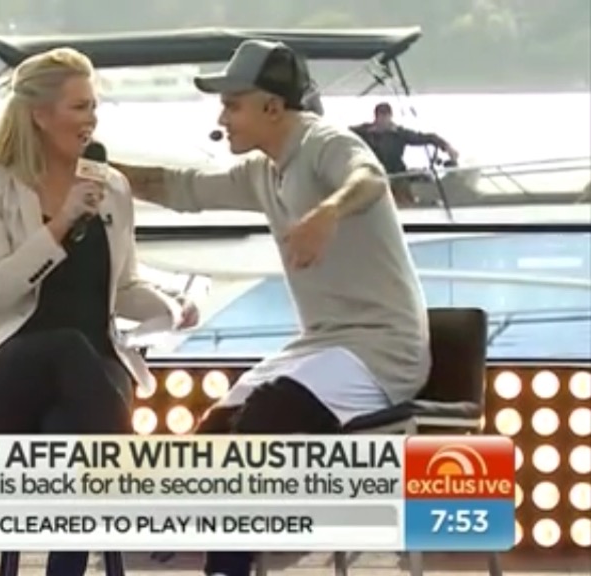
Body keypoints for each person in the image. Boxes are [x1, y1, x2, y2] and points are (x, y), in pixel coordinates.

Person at [111, 40, 430, 576]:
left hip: (383, 350)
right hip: (323, 345)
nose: (222, 118)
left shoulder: (324, 141)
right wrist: (93, 168)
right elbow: (182, 187)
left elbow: (369, 178)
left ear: (273, 107)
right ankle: (199, 542)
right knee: (219, 426)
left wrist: (327, 213)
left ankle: (229, 559)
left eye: (232, 105)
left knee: (266, 417)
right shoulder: (263, 170)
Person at [0, 47, 197, 576]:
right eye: (79, 107)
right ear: (40, 114)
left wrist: (172, 305)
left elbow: (123, 287)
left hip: (92, 380)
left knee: (77, 442)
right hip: (8, 373)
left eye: (94, 106)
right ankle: (143, 494)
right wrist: (60, 224)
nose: (92, 119)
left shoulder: (112, 187)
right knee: (66, 347)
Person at [349, 102, 460, 205]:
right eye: (380, 117)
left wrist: (447, 147)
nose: (383, 121)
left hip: (397, 174)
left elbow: (427, 137)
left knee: (404, 194)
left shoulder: (399, 133)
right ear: (376, 117)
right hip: (374, 174)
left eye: (386, 117)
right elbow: (345, 133)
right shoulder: (365, 131)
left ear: (390, 117)